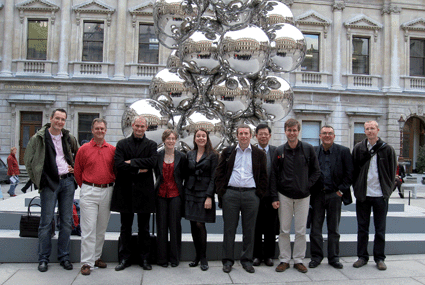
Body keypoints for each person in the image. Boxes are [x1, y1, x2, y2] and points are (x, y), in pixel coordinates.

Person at [24, 108, 79, 273]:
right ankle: (43, 259)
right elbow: (28, 161)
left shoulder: (68, 137)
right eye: (57, 118)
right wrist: (39, 180)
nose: (60, 122)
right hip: (49, 183)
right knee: (46, 223)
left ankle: (64, 257)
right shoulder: (38, 138)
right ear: (51, 118)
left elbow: (79, 154)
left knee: (67, 222)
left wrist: (74, 169)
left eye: (63, 119)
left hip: (67, 182)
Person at [215, 124, 268, 274]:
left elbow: (264, 176)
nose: (243, 136)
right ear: (236, 136)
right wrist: (222, 192)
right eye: (241, 133)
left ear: (251, 136)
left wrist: (259, 194)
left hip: (251, 195)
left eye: (246, 133)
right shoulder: (228, 152)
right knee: (229, 229)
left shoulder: (259, 154)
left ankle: (247, 261)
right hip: (230, 195)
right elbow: (219, 174)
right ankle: (227, 261)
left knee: (249, 230)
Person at [270, 118, 320, 273]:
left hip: (303, 196)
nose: (292, 133)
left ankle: (298, 260)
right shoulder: (279, 151)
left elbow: (316, 171)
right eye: (289, 130)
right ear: (285, 132)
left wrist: (307, 185)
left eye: (294, 130)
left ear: (299, 132)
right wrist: (274, 197)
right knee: (284, 230)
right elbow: (274, 175)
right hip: (284, 195)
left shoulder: (308, 148)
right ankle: (284, 259)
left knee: (300, 231)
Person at [111, 115, 157, 271]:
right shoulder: (122, 144)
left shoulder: (151, 145)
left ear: (146, 128)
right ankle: (124, 258)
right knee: (125, 227)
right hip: (125, 191)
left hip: (144, 192)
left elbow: (152, 162)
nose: (139, 129)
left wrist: (131, 162)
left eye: (142, 127)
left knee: (144, 228)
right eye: (137, 126)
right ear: (132, 125)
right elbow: (119, 164)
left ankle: (145, 259)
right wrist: (138, 169)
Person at [352, 120, 397, 271]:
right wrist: (357, 188)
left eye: (372, 128)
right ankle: (362, 257)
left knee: (380, 228)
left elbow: (392, 173)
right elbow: (354, 171)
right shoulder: (358, 148)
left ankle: (379, 258)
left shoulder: (387, 149)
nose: (370, 131)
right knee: (362, 228)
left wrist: (387, 191)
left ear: (378, 130)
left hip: (380, 195)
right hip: (363, 195)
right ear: (364, 131)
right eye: (367, 129)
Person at [74, 118, 116, 275]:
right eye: (97, 128)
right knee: (88, 228)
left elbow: (115, 170)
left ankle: (96, 257)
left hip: (107, 190)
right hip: (89, 190)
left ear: (106, 130)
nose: (100, 131)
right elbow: (77, 171)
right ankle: (86, 262)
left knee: (101, 228)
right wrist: (85, 186)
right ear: (92, 130)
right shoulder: (83, 149)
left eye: (102, 129)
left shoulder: (112, 149)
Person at [308, 125, 353, 269]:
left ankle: (334, 258)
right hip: (317, 196)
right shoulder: (313, 152)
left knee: (334, 229)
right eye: (324, 133)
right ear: (320, 136)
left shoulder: (343, 152)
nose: (327, 135)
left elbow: (350, 173)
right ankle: (316, 257)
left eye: (330, 133)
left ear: (334, 136)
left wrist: (341, 191)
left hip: (335, 195)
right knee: (315, 229)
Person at [185, 128, 219, 271]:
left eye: (203, 136)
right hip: (190, 191)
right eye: (198, 136)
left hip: (204, 193)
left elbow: (214, 178)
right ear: (194, 138)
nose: (200, 138)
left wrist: (209, 196)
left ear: (207, 138)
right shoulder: (189, 154)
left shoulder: (213, 155)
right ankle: (197, 256)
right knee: (193, 224)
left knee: (200, 224)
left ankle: (204, 257)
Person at [154, 129, 186, 268]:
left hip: (175, 195)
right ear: (164, 140)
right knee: (161, 227)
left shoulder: (181, 156)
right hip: (160, 194)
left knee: (175, 227)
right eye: (168, 138)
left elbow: (184, 175)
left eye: (173, 138)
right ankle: (161, 259)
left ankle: (174, 258)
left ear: (176, 140)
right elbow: (157, 173)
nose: (171, 141)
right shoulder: (158, 155)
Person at [252, 124, 277, 267]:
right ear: (256, 136)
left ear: (269, 136)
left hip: (271, 196)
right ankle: (256, 255)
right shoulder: (251, 151)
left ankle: (269, 256)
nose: (263, 136)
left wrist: (275, 197)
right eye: (260, 134)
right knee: (256, 227)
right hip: (255, 196)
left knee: (271, 228)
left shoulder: (276, 151)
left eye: (266, 134)